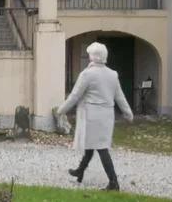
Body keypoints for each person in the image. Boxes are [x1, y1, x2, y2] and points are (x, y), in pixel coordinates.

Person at [57, 42, 133, 191]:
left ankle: (113, 182)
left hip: (91, 116)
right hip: (107, 116)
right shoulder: (112, 74)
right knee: (93, 145)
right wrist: (128, 113)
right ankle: (80, 170)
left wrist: (61, 110)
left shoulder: (87, 74)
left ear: (93, 56)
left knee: (101, 148)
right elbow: (120, 97)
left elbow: (75, 95)